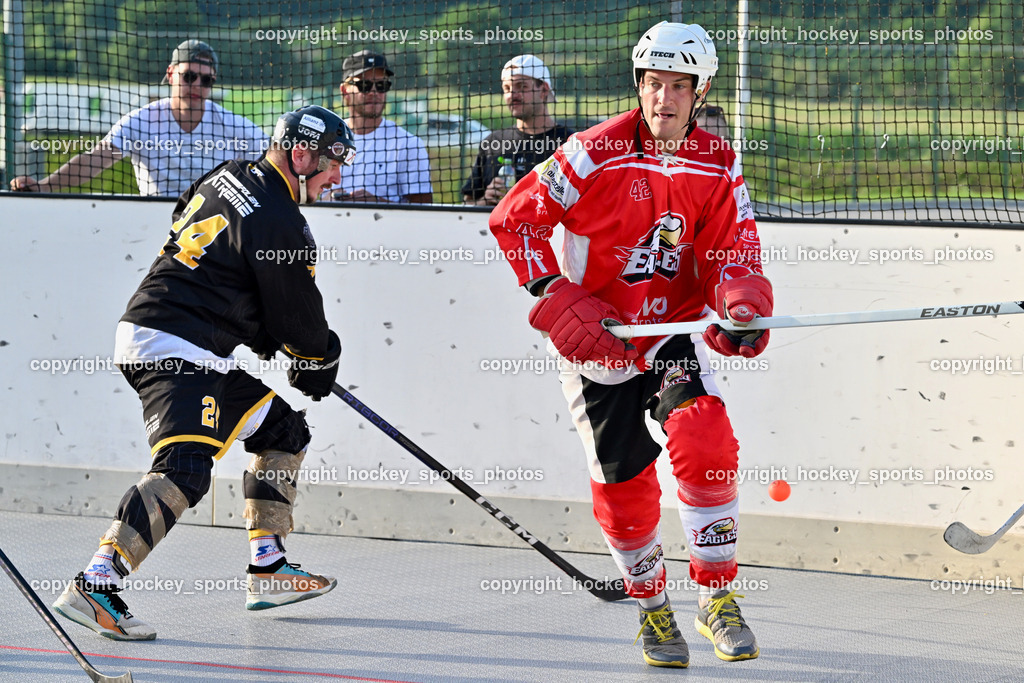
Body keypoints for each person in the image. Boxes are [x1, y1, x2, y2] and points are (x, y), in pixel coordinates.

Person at [489, 22, 771, 668]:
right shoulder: (592, 152)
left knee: (706, 439)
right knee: (625, 491)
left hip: (669, 333)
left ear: (700, 93)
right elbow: (515, 220)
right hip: (599, 343)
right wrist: (555, 294)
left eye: (678, 87)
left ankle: (717, 596)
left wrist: (741, 300)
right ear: (637, 85)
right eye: (651, 84)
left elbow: (733, 249)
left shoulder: (719, 162)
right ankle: (652, 608)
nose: (662, 100)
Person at [51, 105, 355, 640]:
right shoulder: (284, 220)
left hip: (173, 337)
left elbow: (199, 240)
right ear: (301, 155)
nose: (338, 176)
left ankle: (268, 567)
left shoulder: (228, 174)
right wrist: (318, 358)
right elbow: (298, 319)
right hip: (174, 345)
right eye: (333, 163)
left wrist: (267, 337)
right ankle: (95, 583)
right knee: (185, 468)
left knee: (283, 431)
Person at [9, 40, 267, 197]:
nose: (197, 84)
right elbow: (95, 159)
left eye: (207, 79)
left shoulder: (234, 125)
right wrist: (44, 187)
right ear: (171, 73)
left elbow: (275, 158)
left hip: (216, 227)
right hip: (155, 223)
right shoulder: (142, 121)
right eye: (189, 76)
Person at [462, 55, 573, 206]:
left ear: (544, 90)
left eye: (522, 86)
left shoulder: (570, 144)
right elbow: (468, 204)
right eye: (507, 89)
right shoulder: (493, 143)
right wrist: (485, 201)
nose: (512, 95)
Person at [326, 50, 432, 204]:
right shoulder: (326, 140)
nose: (374, 92)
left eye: (382, 85)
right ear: (345, 91)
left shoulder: (408, 144)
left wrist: (376, 203)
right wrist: (331, 197)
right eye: (364, 85)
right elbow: (312, 193)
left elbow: (424, 208)